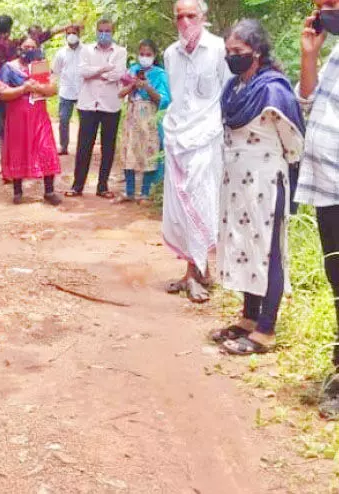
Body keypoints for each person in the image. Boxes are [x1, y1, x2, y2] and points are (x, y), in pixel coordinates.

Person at [210, 19, 304, 355]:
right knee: (244, 246)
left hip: (266, 182)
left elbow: (294, 143)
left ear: (257, 52)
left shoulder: (273, 89)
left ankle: (266, 329)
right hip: (236, 184)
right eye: (228, 52)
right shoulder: (234, 89)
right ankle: (249, 318)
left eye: (238, 52)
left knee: (268, 251)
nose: (231, 57)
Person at [160, 0, 231, 303]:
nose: (186, 22)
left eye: (191, 15)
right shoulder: (169, 55)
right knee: (178, 207)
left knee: (200, 202)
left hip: (207, 137)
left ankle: (197, 270)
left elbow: (228, 92)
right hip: (176, 137)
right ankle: (195, 271)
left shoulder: (218, 49)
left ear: (203, 17)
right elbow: (176, 97)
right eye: (180, 17)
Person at [296, 0, 339, 417]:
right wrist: (310, 56)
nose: (325, 10)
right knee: (337, 278)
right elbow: (306, 102)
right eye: (320, 5)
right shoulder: (334, 54)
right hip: (327, 187)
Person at [66, 19, 127, 199]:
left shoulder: (120, 51)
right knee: (84, 146)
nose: (103, 34)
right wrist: (104, 69)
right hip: (88, 105)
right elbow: (83, 72)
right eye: (100, 30)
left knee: (108, 147)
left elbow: (118, 74)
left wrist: (97, 73)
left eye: (107, 31)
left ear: (112, 31)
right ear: (96, 31)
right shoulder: (86, 50)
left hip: (111, 105)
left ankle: (102, 186)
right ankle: (77, 186)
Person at [0, 37, 62, 205]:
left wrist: (39, 88)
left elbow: (53, 89)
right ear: (19, 48)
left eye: (32, 47)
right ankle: (18, 192)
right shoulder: (9, 67)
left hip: (39, 116)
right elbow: (2, 93)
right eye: (26, 46)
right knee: (19, 149)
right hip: (17, 117)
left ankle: (49, 191)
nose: (29, 49)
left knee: (46, 148)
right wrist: (23, 89)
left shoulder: (41, 67)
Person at [0, 16, 65, 141]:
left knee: (2, 126)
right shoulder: (16, 44)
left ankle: (4, 149)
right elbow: (41, 37)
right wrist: (65, 27)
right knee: (19, 125)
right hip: (19, 87)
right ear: (10, 29)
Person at [116, 39, 171, 204]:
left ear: (154, 56)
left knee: (149, 153)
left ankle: (145, 192)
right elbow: (120, 93)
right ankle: (130, 191)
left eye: (148, 54)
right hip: (132, 117)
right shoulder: (132, 71)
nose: (144, 57)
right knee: (129, 151)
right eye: (142, 54)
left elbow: (163, 99)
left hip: (149, 118)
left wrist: (147, 87)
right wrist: (133, 85)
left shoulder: (160, 74)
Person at [52, 23, 84, 156]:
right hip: (66, 92)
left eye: (74, 33)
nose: (71, 36)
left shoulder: (86, 51)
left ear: (79, 34)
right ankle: (63, 146)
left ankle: (83, 147)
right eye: (68, 33)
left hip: (83, 91)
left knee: (85, 121)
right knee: (64, 119)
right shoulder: (61, 53)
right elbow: (55, 71)